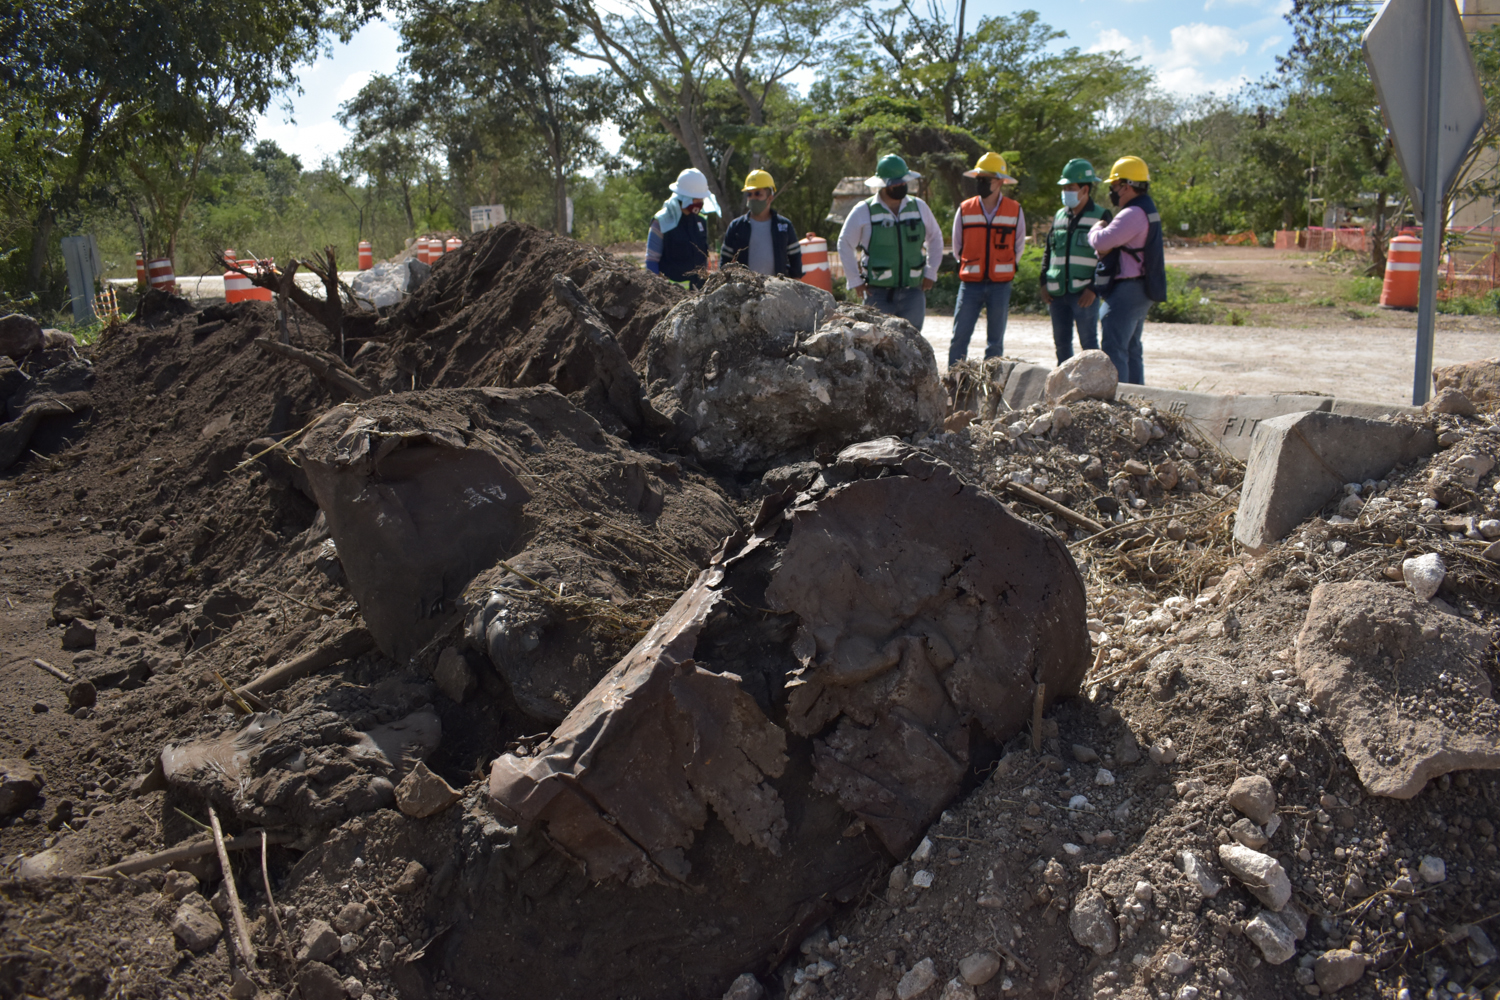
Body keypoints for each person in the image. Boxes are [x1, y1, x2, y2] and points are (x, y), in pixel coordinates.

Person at [837, 153, 944, 331]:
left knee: (913, 344)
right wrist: (854, 280)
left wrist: (931, 271)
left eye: (904, 181)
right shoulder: (864, 210)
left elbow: (935, 237)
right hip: (877, 293)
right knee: (878, 344)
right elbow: (845, 242)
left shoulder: (919, 207)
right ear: (884, 184)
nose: (902, 185)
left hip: (913, 291)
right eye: (897, 182)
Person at [1088, 155, 1166, 385]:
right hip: (1140, 287)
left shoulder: (1132, 213)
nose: (1112, 190)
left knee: (1115, 349)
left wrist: (1095, 229)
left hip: (1128, 289)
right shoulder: (1146, 208)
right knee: (1132, 348)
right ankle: (1137, 398)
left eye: (1114, 185)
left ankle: (1121, 401)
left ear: (1128, 185)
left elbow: (1101, 242)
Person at [948, 152, 1025, 366]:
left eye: (986, 179)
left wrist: (1004, 267)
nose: (980, 183)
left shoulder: (1015, 209)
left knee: (995, 343)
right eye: (979, 179)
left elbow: (1019, 246)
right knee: (959, 338)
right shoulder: (965, 208)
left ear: (1000, 181)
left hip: (1000, 285)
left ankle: (990, 388)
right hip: (970, 284)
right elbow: (957, 246)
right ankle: (955, 385)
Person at [1040, 158, 1110, 364]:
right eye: (1064, 187)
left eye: (1070, 187)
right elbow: (1048, 251)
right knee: (1061, 344)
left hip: (1084, 294)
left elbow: (1109, 257)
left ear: (1085, 190)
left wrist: (1094, 288)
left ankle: (1093, 389)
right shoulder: (1059, 215)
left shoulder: (1101, 216)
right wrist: (1043, 282)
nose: (1065, 192)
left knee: (1089, 344)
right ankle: (1065, 386)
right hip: (1057, 294)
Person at [720, 169, 803, 278]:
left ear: (769, 198)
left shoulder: (784, 226)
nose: (753, 198)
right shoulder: (736, 227)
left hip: (777, 290)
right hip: (744, 291)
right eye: (750, 194)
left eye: (758, 194)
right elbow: (725, 262)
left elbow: (795, 261)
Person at [646, 168, 720, 288]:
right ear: (684, 197)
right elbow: (651, 261)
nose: (700, 202)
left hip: (698, 295)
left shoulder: (700, 221)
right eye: (697, 198)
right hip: (670, 297)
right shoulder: (662, 221)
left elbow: (703, 259)